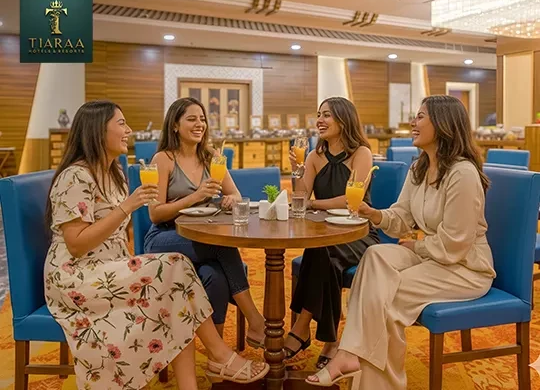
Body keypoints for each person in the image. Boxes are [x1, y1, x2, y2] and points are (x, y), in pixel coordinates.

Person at [44, 100, 269, 390]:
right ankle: (220, 354)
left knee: (177, 285)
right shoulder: (75, 176)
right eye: (122, 124)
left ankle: (194, 381)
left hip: (110, 266)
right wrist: (127, 207)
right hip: (77, 275)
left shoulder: (113, 174)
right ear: (98, 130)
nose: (129, 130)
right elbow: (75, 246)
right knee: (177, 265)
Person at [306, 95, 495, 388]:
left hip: (465, 268)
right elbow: (403, 217)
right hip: (433, 256)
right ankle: (349, 356)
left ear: (442, 124)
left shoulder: (463, 174)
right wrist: (374, 214)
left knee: (384, 296)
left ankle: (359, 366)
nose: (412, 122)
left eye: (420, 117)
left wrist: (416, 246)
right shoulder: (419, 168)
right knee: (375, 256)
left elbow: (455, 244)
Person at [144, 97, 266, 348]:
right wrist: (196, 196)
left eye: (202, 119)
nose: (199, 124)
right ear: (175, 125)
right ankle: (255, 320)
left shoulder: (211, 156)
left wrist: (230, 200)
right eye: (191, 119)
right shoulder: (163, 159)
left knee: (215, 276)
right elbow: (155, 214)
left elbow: (236, 194)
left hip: (202, 236)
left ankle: (217, 354)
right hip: (165, 237)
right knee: (220, 244)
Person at [285, 97, 380, 368]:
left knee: (320, 250)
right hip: (326, 233)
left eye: (327, 115)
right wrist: (297, 171)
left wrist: (315, 204)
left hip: (359, 233)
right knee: (324, 254)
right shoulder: (314, 156)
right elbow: (301, 198)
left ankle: (301, 327)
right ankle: (330, 341)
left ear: (344, 119)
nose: (320, 120)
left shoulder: (361, 153)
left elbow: (351, 200)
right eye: (319, 115)